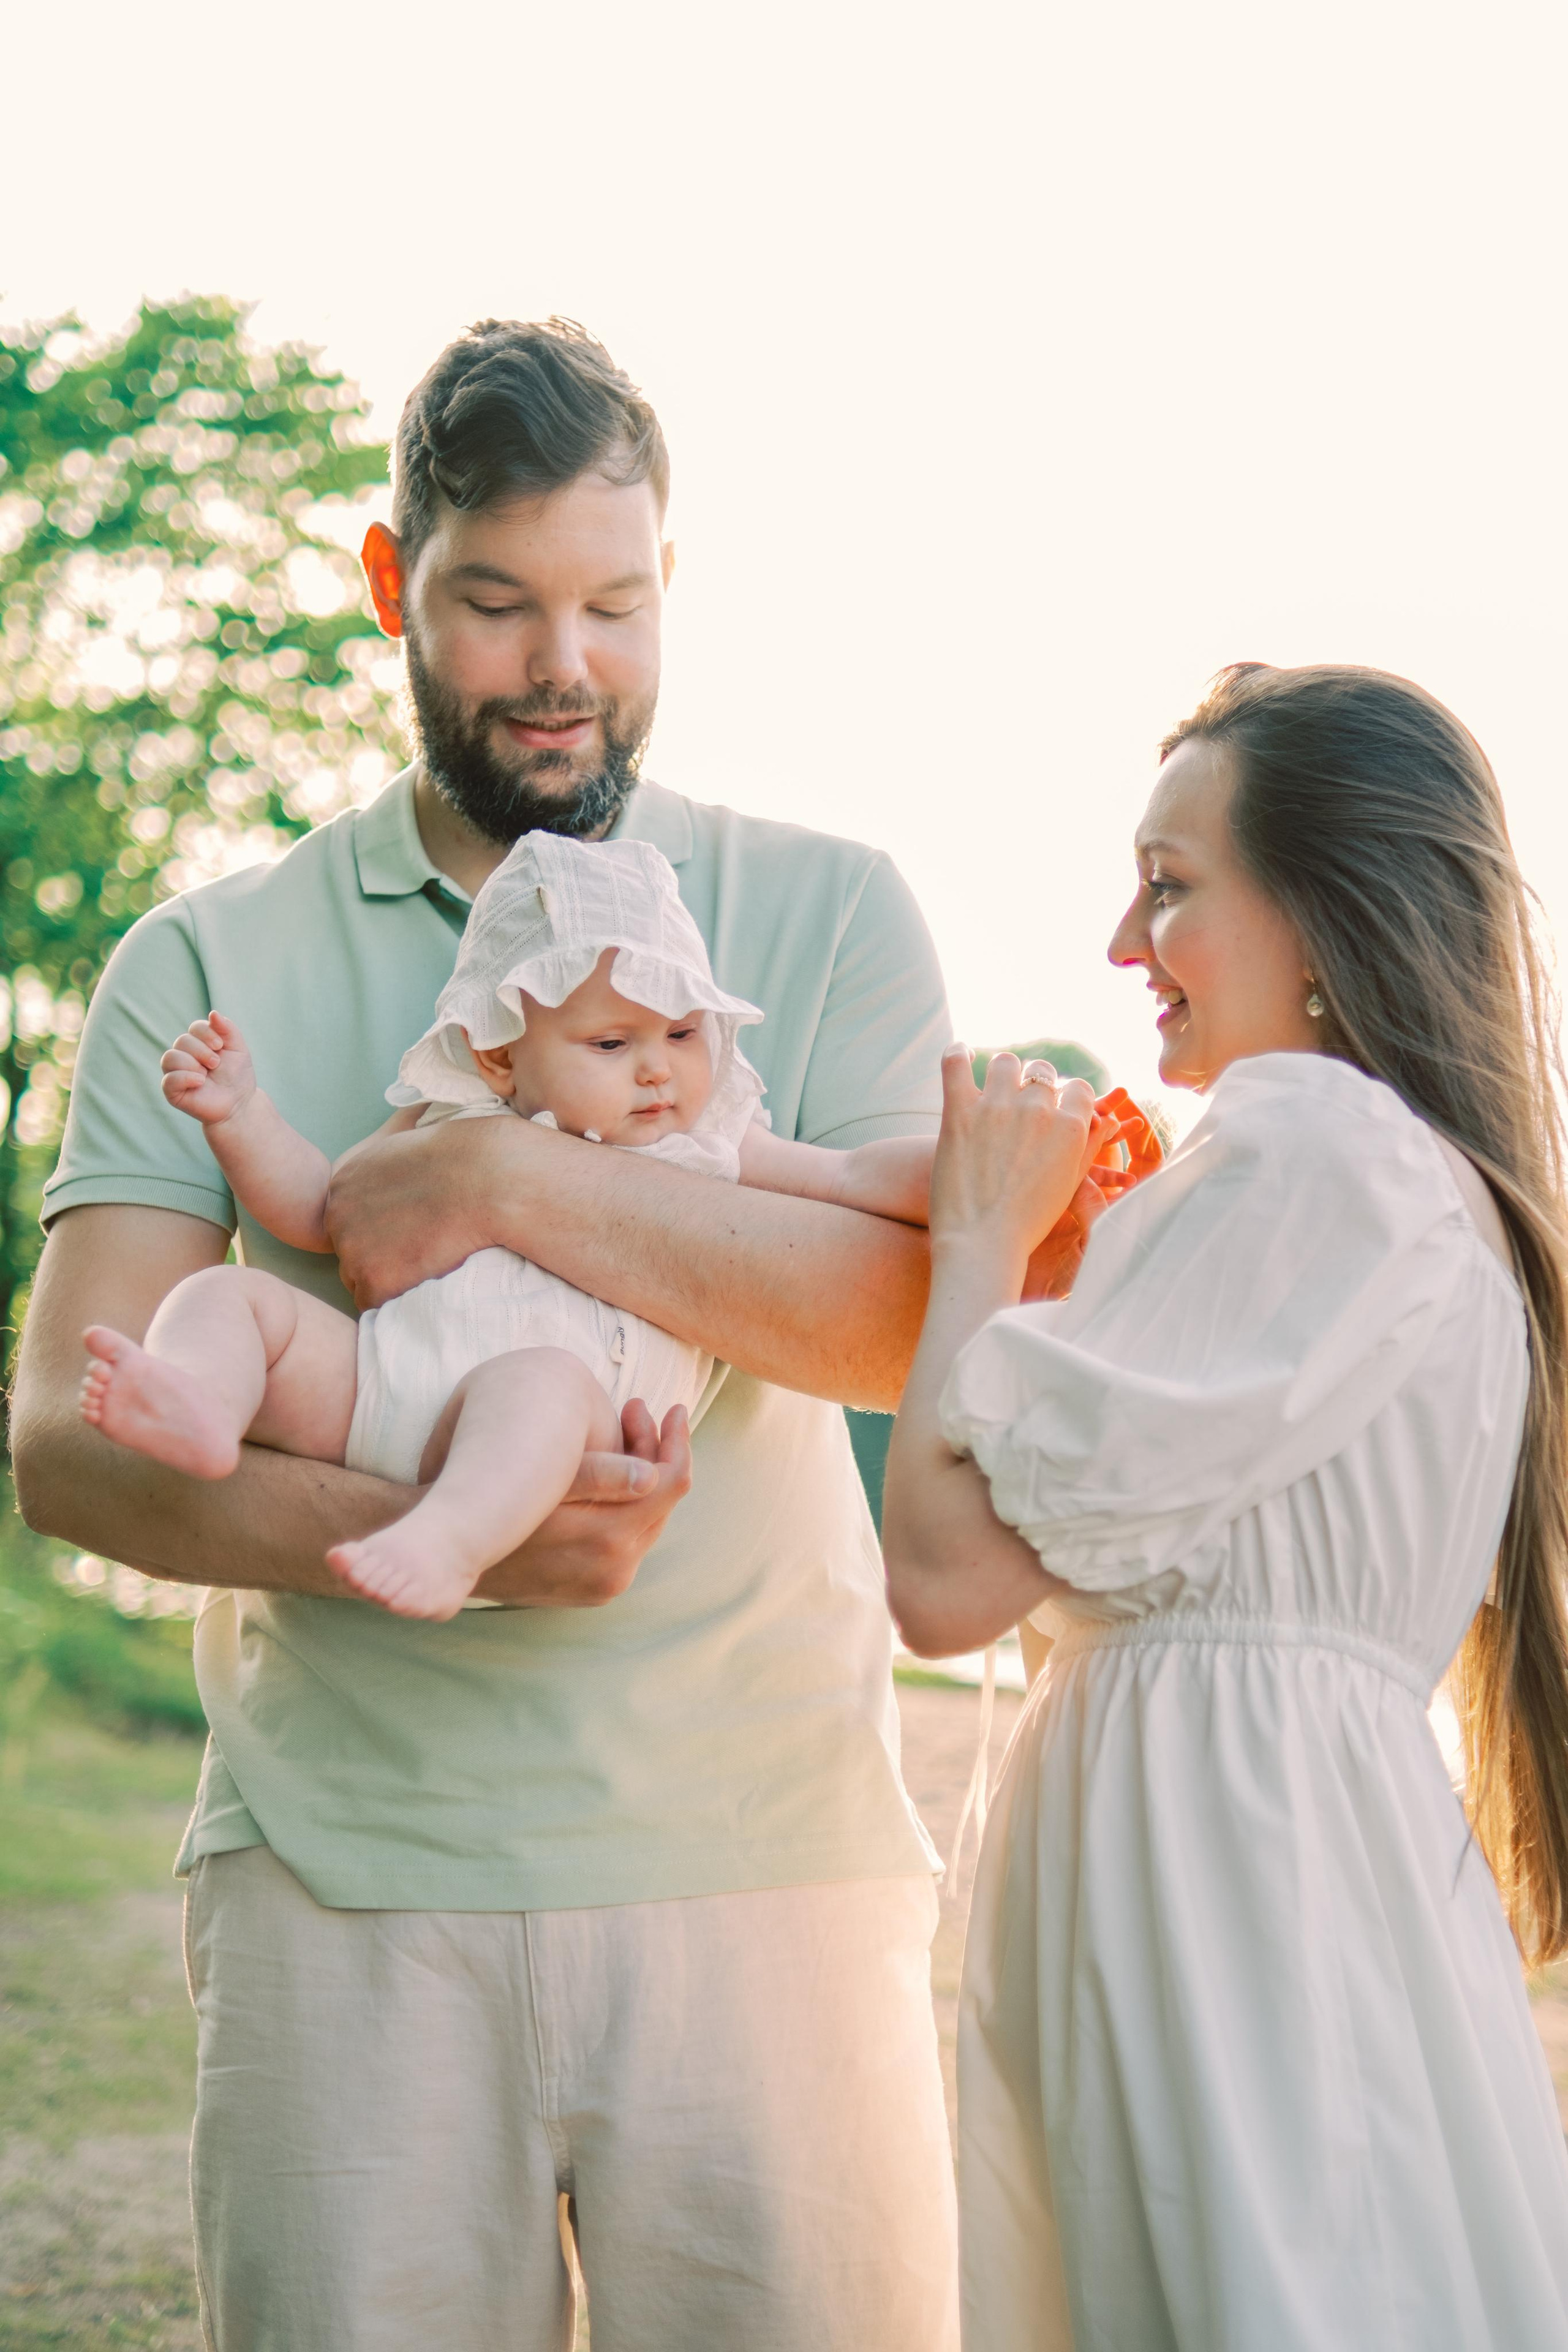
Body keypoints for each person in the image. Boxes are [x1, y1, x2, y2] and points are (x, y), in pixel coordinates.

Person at [12, 317, 973, 2351]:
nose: (564, 666)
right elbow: (67, 1446)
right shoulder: (203, 955)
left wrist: (507, 1182)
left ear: (670, 582)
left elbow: (898, 1323)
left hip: (767, 1870)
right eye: (498, 602)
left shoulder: (828, 911)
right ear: (391, 582)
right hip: (343, 1886)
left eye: (615, 605)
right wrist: (434, 1526)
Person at [883, 663, 1568, 2350]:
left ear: (1323, 919)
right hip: (1277, 1862)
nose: (1124, 941)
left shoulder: (1312, 1146)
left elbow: (943, 1578)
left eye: (1170, 884)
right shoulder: (1406, 1184)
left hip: (1222, 1891)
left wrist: (978, 1241)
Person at [80, 829, 946, 1621]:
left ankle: (446, 1540)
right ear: (498, 1054)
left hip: (560, 1440)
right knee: (228, 1296)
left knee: (539, 1381)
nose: (658, 1069)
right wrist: (240, 1116)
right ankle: (201, 1401)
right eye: (611, 1044)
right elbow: (319, 1207)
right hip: (377, 1386)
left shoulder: (710, 1141)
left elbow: (850, 1177)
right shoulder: (446, 1114)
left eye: (684, 1033)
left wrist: (977, 1164)